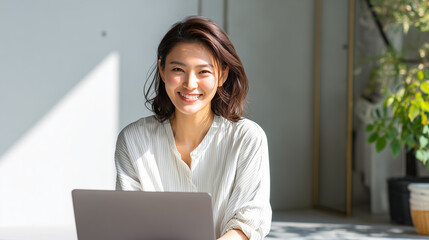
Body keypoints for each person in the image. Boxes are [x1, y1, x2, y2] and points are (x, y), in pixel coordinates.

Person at [115, 16, 271, 240]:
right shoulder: (132, 140)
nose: (190, 84)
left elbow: (249, 221)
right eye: (178, 69)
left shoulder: (247, 138)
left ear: (222, 74)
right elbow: (128, 223)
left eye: (203, 72)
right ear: (162, 69)